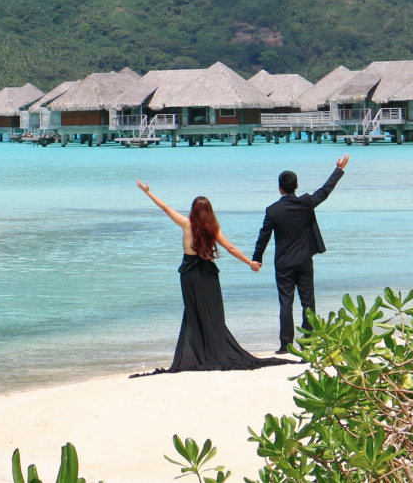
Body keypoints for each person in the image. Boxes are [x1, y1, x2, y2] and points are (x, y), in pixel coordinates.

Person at [135, 181, 286, 372]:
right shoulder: (213, 229)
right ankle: (213, 350)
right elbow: (230, 248)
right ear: (209, 211)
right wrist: (250, 263)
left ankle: (199, 353)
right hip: (208, 274)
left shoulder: (186, 224)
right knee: (212, 314)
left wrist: (149, 192)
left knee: (194, 313)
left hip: (189, 275)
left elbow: (164, 207)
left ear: (193, 210)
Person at [252, 155, 350, 356]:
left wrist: (257, 258)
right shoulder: (305, 203)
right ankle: (308, 342)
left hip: (283, 263)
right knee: (308, 302)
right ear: (296, 185)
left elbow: (264, 236)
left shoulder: (273, 210)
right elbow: (324, 192)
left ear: (280, 188)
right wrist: (338, 169)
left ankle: (285, 345)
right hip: (304, 261)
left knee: (285, 303)